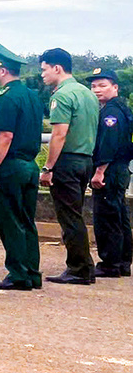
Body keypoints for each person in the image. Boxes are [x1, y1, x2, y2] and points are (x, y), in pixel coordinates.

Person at [0, 42, 44, 290]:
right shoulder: (32, 95)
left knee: (10, 220)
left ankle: (18, 274)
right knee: (27, 220)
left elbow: (5, 135)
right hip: (30, 165)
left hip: (11, 165)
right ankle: (32, 272)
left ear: (3, 70)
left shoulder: (8, 98)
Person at [39, 48, 99, 285]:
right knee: (76, 213)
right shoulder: (87, 94)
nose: (42, 75)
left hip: (67, 161)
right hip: (85, 159)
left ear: (57, 68)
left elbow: (59, 134)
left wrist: (48, 167)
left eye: (44, 70)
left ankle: (79, 268)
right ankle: (84, 265)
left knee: (69, 217)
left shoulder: (62, 95)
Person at [87, 69, 133, 278]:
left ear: (115, 87)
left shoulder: (110, 113)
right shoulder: (123, 109)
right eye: (94, 86)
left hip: (110, 170)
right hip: (121, 168)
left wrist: (99, 171)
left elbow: (109, 144)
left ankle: (111, 262)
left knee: (107, 217)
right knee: (120, 215)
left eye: (102, 85)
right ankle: (123, 261)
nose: (97, 90)